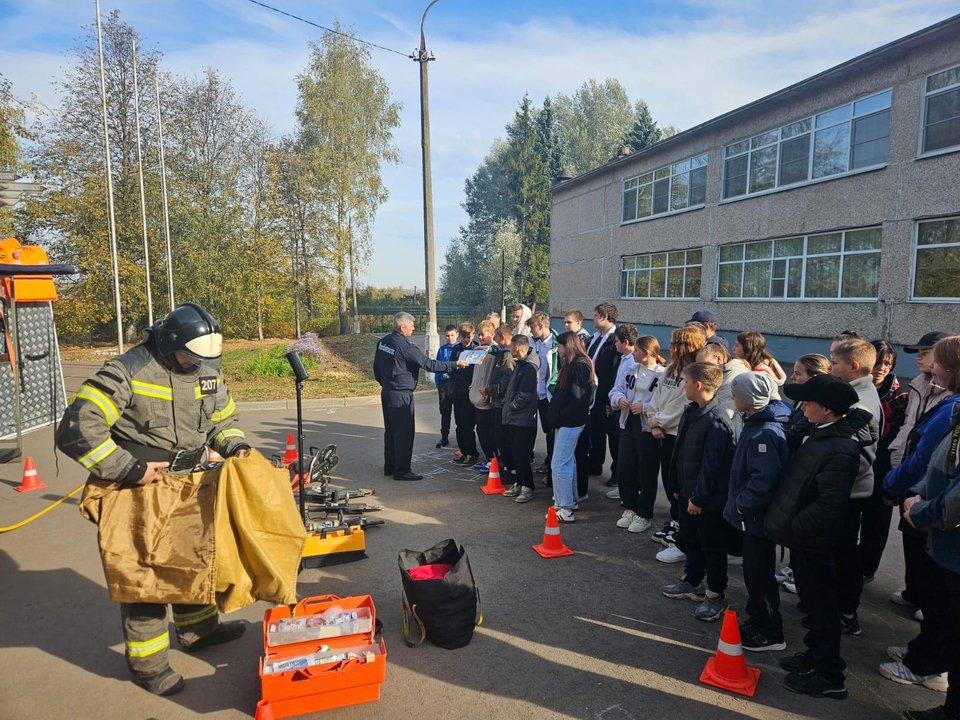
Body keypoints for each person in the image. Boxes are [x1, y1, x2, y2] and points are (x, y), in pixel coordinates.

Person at [56, 303, 252, 696]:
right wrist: (129, 469)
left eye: (202, 359)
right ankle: (148, 666)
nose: (195, 364)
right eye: (188, 356)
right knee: (144, 577)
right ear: (169, 343)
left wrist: (237, 447)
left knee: (192, 561)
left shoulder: (206, 369)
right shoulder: (127, 371)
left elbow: (223, 421)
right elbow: (78, 428)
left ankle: (198, 630)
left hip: (191, 484)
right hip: (138, 489)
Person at [764, 374, 867, 700]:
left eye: (808, 403)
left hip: (813, 539)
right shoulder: (820, 432)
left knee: (822, 607)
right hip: (804, 538)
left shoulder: (840, 448)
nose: (802, 407)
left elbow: (828, 504)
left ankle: (829, 674)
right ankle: (814, 655)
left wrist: (796, 526)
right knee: (810, 602)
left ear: (827, 410)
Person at [880, 336, 960, 694]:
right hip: (929, 513)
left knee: (943, 606)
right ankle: (922, 653)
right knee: (935, 598)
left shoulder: (951, 409)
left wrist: (916, 500)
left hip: (942, 526)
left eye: (937, 361)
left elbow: (930, 462)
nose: (931, 368)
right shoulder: (948, 404)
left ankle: (928, 666)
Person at [660, 362, 735, 621]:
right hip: (687, 494)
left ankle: (715, 594)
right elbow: (681, 454)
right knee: (691, 540)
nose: (684, 386)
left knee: (712, 546)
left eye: (686, 382)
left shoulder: (716, 421)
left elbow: (712, 467)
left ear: (699, 385)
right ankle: (692, 582)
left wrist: (699, 498)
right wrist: (677, 487)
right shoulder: (692, 411)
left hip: (705, 501)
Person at [725, 372, 791, 651]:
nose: (732, 398)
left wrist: (742, 505)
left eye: (736, 395)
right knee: (754, 573)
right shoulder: (757, 423)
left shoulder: (765, 431)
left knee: (760, 574)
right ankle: (757, 618)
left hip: (755, 520)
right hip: (750, 518)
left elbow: (764, 480)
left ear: (748, 400)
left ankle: (770, 631)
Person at [887, 331, 952, 609]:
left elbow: (928, 454)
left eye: (927, 354)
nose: (921, 359)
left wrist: (893, 482)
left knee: (927, 546)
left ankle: (927, 602)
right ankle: (915, 591)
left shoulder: (950, 402)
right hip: (908, 476)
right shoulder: (918, 385)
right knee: (911, 541)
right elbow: (909, 430)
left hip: (926, 483)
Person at [829, 338, 881, 635]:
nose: (831, 367)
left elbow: (856, 456)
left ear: (854, 366)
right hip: (846, 489)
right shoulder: (854, 394)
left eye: (835, 363)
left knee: (844, 554)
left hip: (848, 491)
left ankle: (846, 612)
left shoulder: (860, 405)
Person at [374, 312, 465, 481]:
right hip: (401, 394)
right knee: (404, 433)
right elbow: (429, 365)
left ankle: (390, 466)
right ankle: (401, 471)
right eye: (411, 325)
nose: (413, 328)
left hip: (387, 392)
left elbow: (376, 369)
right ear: (402, 328)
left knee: (391, 431)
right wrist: (456, 364)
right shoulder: (406, 346)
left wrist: (386, 384)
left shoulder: (383, 342)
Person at [648, 325, 707, 563]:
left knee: (679, 485)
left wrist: (659, 420)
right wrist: (653, 420)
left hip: (677, 434)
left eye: (674, 344)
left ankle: (683, 530)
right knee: (668, 479)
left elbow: (682, 404)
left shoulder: (694, 373)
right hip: (660, 430)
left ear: (685, 346)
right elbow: (657, 395)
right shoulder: (671, 370)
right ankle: (675, 522)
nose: (669, 348)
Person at [778, 352, 831, 594]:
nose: (792, 376)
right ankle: (795, 568)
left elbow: (793, 431)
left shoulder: (817, 414)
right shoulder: (803, 402)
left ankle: (804, 577)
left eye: (799, 374)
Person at [859, 339, 909, 582]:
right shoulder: (854, 389)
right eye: (878, 362)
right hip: (856, 461)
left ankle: (866, 568)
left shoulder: (900, 396)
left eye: (887, 363)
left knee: (876, 522)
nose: (882, 368)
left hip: (883, 465)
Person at [614, 335, 666, 532]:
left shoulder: (662, 374)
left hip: (649, 427)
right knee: (625, 468)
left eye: (636, 350)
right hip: (629, 422)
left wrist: (643, 407)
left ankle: (645, 513)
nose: (632, 353)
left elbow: (663, 402)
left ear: (646, 353)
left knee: (647, 471)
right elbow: (616, 390)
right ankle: (630, 507)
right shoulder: (631, 369)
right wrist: (619, 400)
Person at [547, 332, 595, 522]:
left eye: (560, 346)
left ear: (568, 346)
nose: (558, 350)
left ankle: (564, 508)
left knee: (559, 464)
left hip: (571, 422)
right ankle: (570, 500)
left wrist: (560, 415)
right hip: (567, 421)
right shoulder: (574, 364)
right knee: (567, 462)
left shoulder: (579, 366)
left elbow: (578, 399)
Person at [502, 335, 541, 503]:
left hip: (523, 419)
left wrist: (511, 406)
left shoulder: (529, 368)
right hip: (513, 418)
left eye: (511, 346)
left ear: (517, 347)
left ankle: (528, 487)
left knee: (521, 452)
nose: (510, 350)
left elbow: (525, 395)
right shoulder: (520, 365)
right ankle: (519, 482)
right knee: (514, 451)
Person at [586, 302, 621, 486]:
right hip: (594, 394)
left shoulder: (615, 339)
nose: (592, 319)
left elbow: (615, 370)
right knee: (596, 431)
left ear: (605, 316)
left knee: (613, 435)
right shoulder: (595, 337)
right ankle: (595, 463)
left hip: (607, 395)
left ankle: (617, 473)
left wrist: (610, 397)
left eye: (595, 315)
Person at [604, 324, 639, 501]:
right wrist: (615, 399)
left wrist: (620, 399)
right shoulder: (625, 358)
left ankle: (626, 486)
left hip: (629, 412)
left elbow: (631, 389)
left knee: (625, 453)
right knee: (619, 449)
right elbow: (618, 386)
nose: (615, 345)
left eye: (617, 341)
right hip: (620, 407)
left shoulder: (634, 361)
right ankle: (623, 484)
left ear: (626, 342)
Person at [529, 311, 560, 478]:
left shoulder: (557, 343)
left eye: (533, 327)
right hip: (538, 392)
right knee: (546, 428)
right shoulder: (535, 341)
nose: (531, 331)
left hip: (551, 393)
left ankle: (551, 463)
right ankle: (549, 462)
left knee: (552, 430)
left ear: (541, 326)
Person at [697, 341, 748, 436]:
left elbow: (726, 409)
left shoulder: (733, 374)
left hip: (727, 429)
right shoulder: (722, 371)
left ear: (719, 359)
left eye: (705, 364)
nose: (703, 369)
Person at [469, 320, 498, 471]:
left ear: (492, 334)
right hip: (476, 397)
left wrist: (489, 392)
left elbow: (493, 375)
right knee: (480, 429)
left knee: (487, 431)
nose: (480, 337)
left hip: (487, 399)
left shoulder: (495, 352)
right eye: (479, 334)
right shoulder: (478, 350)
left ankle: (492, 459)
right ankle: (488, 457)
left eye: (483, 335)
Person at [488, 325, 516, 478]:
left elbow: (505, 380)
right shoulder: (502, 353)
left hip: (503, 402)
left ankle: (510, 468)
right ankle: (506, 465)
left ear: (504, 337)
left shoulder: (507, 356)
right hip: (498, 401)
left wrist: (491, 390)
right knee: (500, 436)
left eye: (497, 337)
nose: (494, 340)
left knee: (503, 437)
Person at [450, 323, 480, 466]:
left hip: (470, 390)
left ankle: (472, 453)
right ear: (459, 336)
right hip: (457, 390)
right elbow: (451, 366)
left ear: (472, 336)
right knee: (459, 424)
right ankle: (464, 451)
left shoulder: (477, 349)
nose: (466, 340)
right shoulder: (456, 349)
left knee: (467, 425)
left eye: (468, 337)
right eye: (463, 337)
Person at [435, 325, 459, 448]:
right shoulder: (442, 349)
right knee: (445, 411)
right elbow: (437, 365)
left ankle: (462, 439)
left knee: (460, 412)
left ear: (457, 335)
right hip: (443, 384)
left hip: (456, 383)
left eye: (452, 335)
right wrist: (438, 382)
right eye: (447, 336)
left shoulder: (460, 349)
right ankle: (444, 437)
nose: (450, 338)